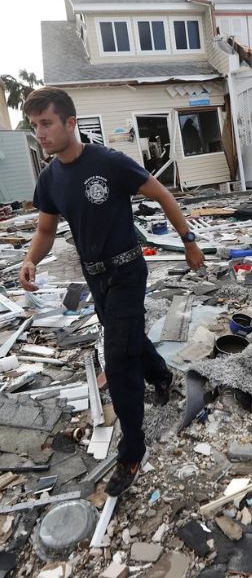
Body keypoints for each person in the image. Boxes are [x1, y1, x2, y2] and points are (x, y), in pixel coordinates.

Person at [19, 87, 204, 497]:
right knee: (128, 337)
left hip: (126, 271)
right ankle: (161, 376)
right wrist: (30, 259)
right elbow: (46, 230)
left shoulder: (109, 163)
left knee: (117, 360)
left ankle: (131, 451)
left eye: (46, 124)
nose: (40, 134)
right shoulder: (50, 179)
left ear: (70, 123)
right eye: (35, 126)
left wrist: (188, 241)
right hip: (95, 277)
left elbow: (162, 194)